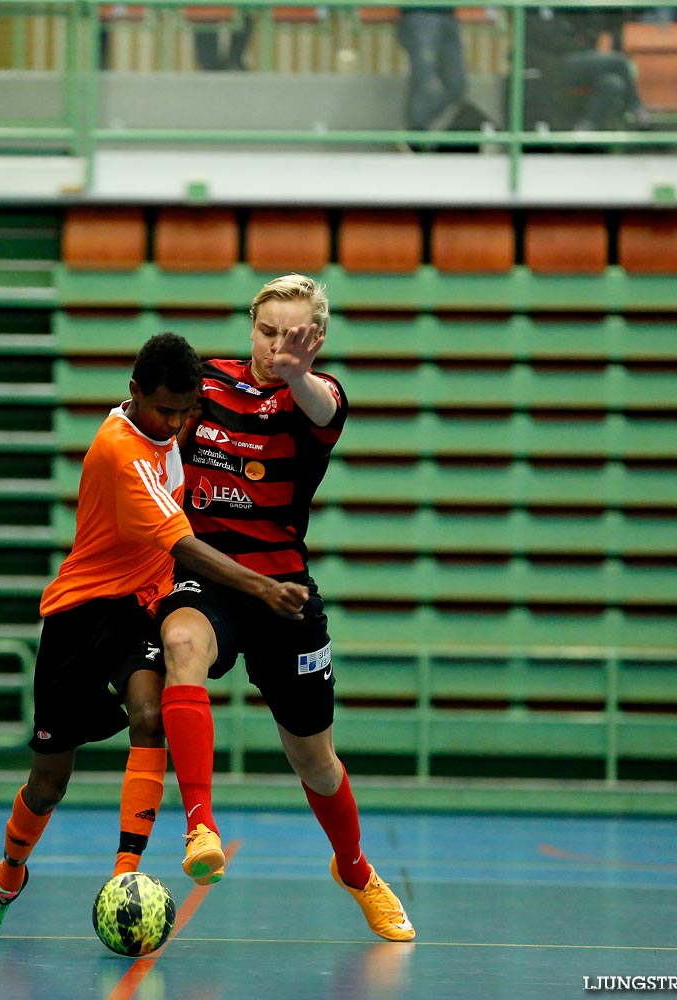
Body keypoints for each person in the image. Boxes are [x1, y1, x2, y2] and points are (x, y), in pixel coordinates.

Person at [0, 332, 309, 940]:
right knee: (48, 784)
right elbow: (181, 545)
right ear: (134, 395)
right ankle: (9, 874)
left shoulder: (173, 428)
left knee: (152, 717)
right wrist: (262, 588)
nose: (176, 423)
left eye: (186, 409)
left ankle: (127, 873)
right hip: (79, 613)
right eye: (164, 410)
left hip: (138, 609)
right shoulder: (122, 451)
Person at [156, 274, 417, 943]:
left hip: (284, 590)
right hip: (207, 573)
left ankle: (356, 869)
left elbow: (323, 405)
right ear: (252, 327)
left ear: (315, 339)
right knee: (183, 646)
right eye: (267, 332)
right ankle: (199, 827)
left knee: (314, 759)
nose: (277, 345)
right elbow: (149, 432)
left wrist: (298, 374)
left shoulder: (316, 397)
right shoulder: (207, 384)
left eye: (293, 336)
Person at [523, 7, 651, 131]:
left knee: (613, 83)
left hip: (574, 59)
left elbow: (593, 27)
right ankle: (637, 108)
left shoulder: (563, 9)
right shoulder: (528, 11)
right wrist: (582, 49)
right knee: (619, 62)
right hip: (554, 65)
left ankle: (584, 129)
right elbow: (553, 43)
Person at [397, 7, 469, 131]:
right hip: (418, 12)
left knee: (457, 86)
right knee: (427, 84)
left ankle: (416, 130)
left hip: (447, 13)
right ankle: (414, 134)